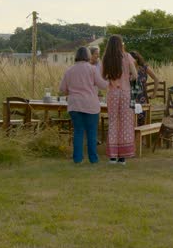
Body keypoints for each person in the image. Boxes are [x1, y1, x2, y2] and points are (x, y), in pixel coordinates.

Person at [59, 47, 108, 164]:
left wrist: (71, 92)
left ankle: (77, 159)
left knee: (78, 132)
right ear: (88, 56)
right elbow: (102, 85)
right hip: (90, 104)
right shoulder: (92, 69)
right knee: (92, 132)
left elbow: (62, 89)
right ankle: (93, 159)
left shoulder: (69, 70)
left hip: (74, 105)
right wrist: (110, 81)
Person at [102, 35, 138, 166]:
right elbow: (135, 75)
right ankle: (122, 157)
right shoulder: (127, 56)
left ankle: (112, 157)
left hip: (112, 93)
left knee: (113, 122)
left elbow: (103, 77)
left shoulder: (106, 59)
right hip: (125, 93)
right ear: (120, 44)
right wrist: (126, 78)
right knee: (126, 123)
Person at [129, 51, 159, 126]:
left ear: (137, 59)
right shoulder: (127, 69)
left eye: (132, 59)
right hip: (131, 97)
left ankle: (143, 137)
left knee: (143, 120)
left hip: (142, 97)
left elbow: (156, 79)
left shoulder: (144, 68)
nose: (130, 61)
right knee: (131, 121)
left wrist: (154, 93)